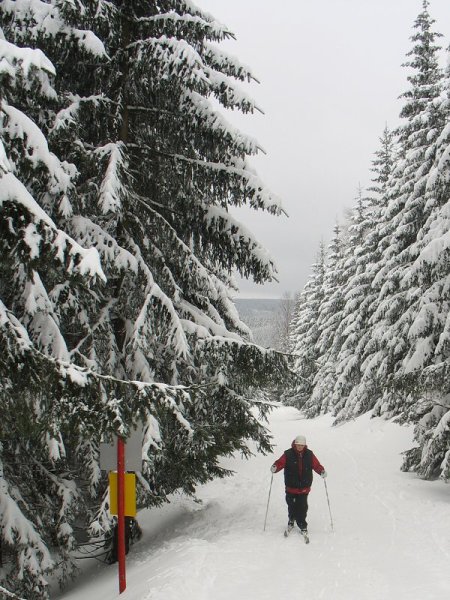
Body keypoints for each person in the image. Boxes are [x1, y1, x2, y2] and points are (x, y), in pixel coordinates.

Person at [270, 434, 326, 534]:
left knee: (302, 507)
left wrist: (321, 471)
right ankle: (291, 520)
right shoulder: (288, 454)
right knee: (291, 505)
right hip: (291, 486)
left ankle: (302, 525)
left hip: (304, 487)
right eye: (298, 445)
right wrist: (275, 467)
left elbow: (316, 465)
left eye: (302, 445)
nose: (300, 447)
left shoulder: (309, 454)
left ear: (305, 445)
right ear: (294, 444)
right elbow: (280, 463)